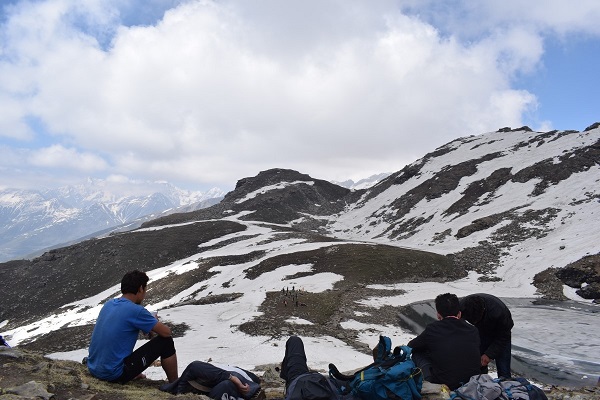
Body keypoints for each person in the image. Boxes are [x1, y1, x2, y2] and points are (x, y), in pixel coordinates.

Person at [87, 270, 178, 383]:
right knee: (166, 342)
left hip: (94, 368)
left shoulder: (109, 304)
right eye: (145, 290)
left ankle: (130, 370)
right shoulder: (136, 311)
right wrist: (153, 321)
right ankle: (175, 385)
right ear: (140, 288)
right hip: (113, 375)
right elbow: (166, 332)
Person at [407, 293, 481, 390]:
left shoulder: (433, 329)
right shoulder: (473, 330)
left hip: (445, 384)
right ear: (459, 314)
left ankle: (425, 384)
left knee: (418, 353)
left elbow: (411, 346)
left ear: (438, 315)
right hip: (472, 382)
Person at [459, 293, 514, 379]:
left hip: (500, 336)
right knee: (478, 366)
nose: (475, 323)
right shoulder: (462, 307)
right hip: (480, 335)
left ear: (483, 311)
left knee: (504, 370)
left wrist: (489, 354)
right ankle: (483, 384)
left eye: (476, 320)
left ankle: (506, 385)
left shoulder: (500, 313)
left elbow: (504, 337)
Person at [280, 336, 338, 400]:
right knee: (295, 343)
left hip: (299, 378)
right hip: (301, 378)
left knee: (294, 341)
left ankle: (285, 376)